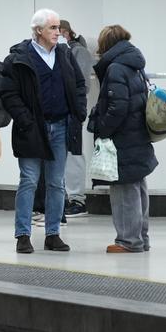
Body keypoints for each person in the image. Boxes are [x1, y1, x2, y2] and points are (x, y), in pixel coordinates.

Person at [0, 8, 87, 254]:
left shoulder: (65, 54)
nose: (58, 32)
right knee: (28, 180)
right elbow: (8, 93)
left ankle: (53, 233)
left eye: (58, 28)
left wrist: (78, 112)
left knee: (57, 183)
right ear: (38, 31)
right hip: (31, 128)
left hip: (61, 126)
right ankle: (23, 235)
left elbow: (79, 85)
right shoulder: (18, 57)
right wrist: (25, 120)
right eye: (53, 28)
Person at [90, 25, 157, 253]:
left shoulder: (116, 68)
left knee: (123, 189)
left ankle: (128, 241)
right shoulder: (135, 64)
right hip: (138, 134)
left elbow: (118, 106)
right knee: (138, 187)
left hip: (123, 137)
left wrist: (103, 129)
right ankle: (141, 238)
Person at [61, 19, 95, 219]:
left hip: (71, 110)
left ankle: (77, 200)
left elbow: (82, 85)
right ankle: (71, 198)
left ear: (65, 32)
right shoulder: (66, 50)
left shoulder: (78, 51)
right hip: (65, 109)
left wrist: (76, 110)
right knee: (67, 156)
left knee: (74, 155)